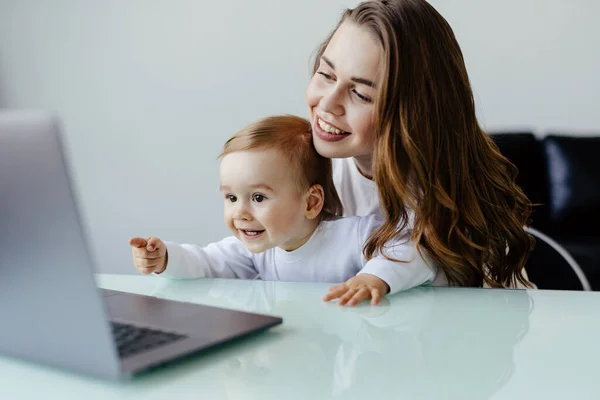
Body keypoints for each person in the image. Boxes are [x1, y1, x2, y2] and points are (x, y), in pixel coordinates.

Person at [305, 0, 535, 289]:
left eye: (361, 95)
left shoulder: (446, 203)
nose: (327, 103)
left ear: (413, 111)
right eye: (326, 75)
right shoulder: (302, 168)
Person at [130, 115, 437, 306]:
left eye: (259, 198)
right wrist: (166, 258)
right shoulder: (257, 249)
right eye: (231, 198)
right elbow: (206, 262)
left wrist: (375, 278)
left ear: (311, 202)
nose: (240, 213)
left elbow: (415, 251)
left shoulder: (354, 235)